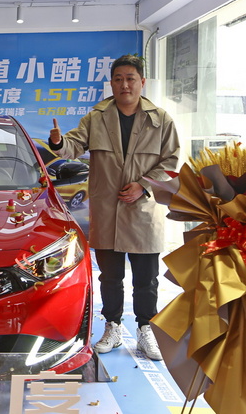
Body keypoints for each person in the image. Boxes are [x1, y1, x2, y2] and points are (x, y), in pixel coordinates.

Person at [48, 54, 180, 361]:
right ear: (111, 83)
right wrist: (58, 143)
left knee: (146, 279)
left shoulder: (160, 119)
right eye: (118, 79)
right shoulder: (97, 117)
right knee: (109, 277)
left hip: (143, 212)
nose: (124, 85)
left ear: (142, 82)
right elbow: (73, 146)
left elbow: (171, 161)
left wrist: (143, 185)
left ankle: (146, 329)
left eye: (130, 79)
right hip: (107, 211)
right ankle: (112, 327)